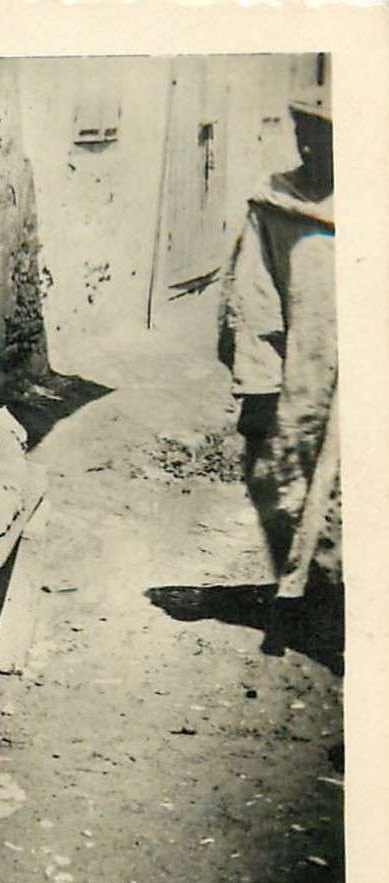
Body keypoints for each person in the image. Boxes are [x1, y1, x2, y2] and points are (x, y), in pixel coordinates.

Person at [217, 97, 340, 656]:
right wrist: (259, 382)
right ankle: (302, 596)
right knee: (279, 478)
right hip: (300, 380)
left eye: (330, 134)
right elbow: (255, 297)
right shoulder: (275, 204)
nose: (314, 146)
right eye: (306, 132)